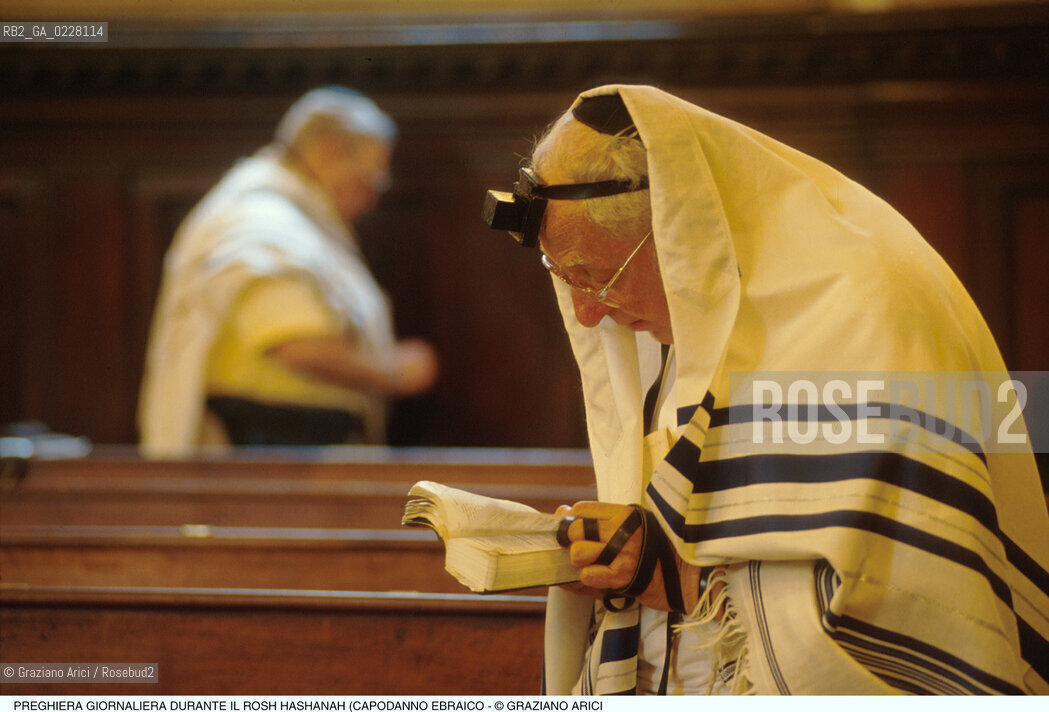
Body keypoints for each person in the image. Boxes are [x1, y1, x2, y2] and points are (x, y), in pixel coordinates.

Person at [483, 85, 1049, 694]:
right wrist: (618, 556)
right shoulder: (686, 319)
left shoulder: (870, 311)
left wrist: (681, 580)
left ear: (676, 231)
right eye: (565, 279)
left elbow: (914, 600)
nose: (588, 315)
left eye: (597, 278)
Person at [139, 86, 437, 457]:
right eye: (369, 180)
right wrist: (394, 371)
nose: (372, 198)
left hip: (289, 444)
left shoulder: (295, 217)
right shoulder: (261, 218)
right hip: (270, 446)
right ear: (330, 150)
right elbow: (296, 344)